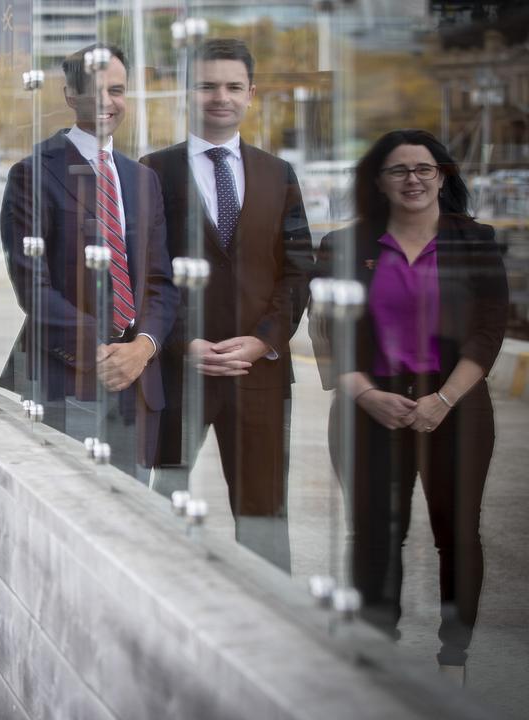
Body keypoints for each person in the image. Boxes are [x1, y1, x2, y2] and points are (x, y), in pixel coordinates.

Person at [314, 129, 507, 684]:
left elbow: (489, 331)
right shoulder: (343, 248)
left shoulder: (475, 241)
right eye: (398, 170)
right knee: (373, 532)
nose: (414, 179)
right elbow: (326, 331)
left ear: (444, 176)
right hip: (367, 404)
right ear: (377, 181)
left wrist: (444, 400)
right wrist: (366, 394)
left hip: (457, 406)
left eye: (425, 168)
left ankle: (454, 659)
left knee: (458, 533)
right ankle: (379, 659)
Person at [140, 39, 313, 572]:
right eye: (208, 85)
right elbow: (145, 271)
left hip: (257, 374)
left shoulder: (277, 173)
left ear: (250, 94)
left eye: (233, 86)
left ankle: (269, 635)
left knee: (265, 519)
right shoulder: (152, 171)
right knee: (162, 512)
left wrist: (263, 339)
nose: (221, 97)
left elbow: (299, 268)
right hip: (177, 372)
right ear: (188, 94)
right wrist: (181, 341)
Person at [0, 44, 175, 479]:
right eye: (95, 90)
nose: (107, 102)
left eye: (117, 90)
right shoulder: (33, 172)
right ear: (70, 95)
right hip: (63, 380)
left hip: (134, 386)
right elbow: (33, 288)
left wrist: (143, 347)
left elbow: (160, 282)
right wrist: (102, 350)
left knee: (127, 520)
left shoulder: (143, 179)